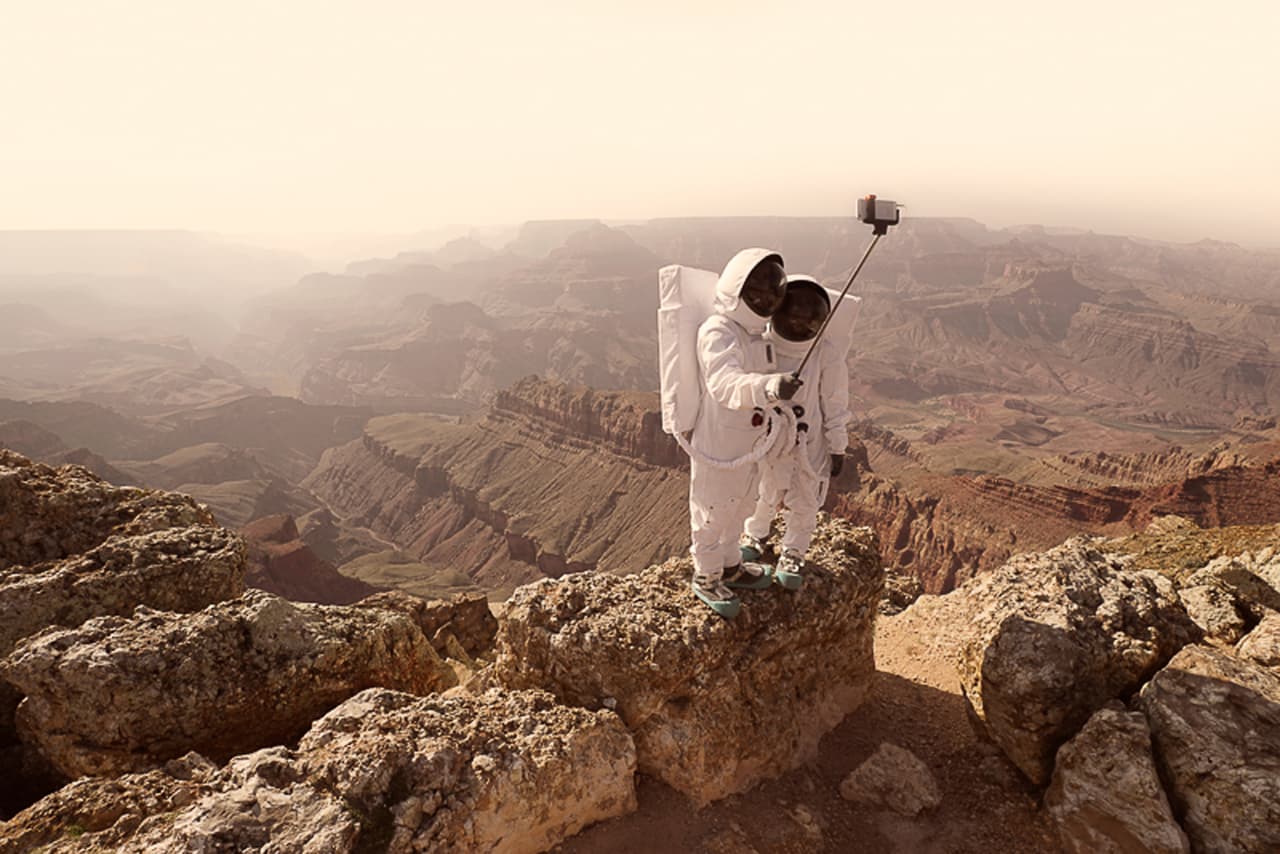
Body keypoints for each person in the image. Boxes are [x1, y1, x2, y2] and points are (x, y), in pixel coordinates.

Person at [687, 248, 800, 618]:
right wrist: (768, 387)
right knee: (713, 509)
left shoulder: (755, 334)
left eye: (773, 292)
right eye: (758, 292)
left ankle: (731, 563)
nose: (767, 299)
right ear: (737, 289)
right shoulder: (717, 331)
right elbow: (723, 383)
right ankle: (705, 575)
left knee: (740, 504)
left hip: (750, 442)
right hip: (719, 443)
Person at [740, 275, 851, 590]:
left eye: (810, 317)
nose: (802, 321)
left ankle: (793, 552)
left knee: (804, 496)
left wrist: (837, 445)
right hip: (768, 436)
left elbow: (834, 401)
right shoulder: (762, 344)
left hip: (808, 439)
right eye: (795, 313)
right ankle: (756, 534)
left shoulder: (825, 353)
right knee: (765, 488)